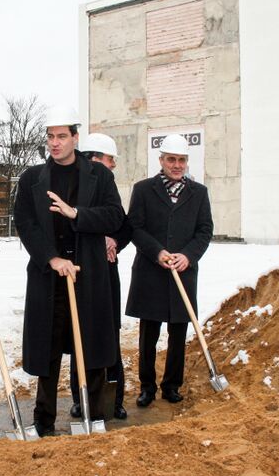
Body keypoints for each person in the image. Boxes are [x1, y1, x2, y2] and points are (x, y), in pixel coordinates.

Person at [13, 106, 124, 436]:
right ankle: (43, 420)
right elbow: (26, 224)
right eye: (50, 136)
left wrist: (76, 213)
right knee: (47, 350)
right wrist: (51, 258)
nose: (55, 142)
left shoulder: (98, 175)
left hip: (88, 274)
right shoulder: (32, 178)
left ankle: (93, 415)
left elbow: (114, 216)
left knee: (91, 347)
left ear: (76, 138)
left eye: (62, 136)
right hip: (49, 277)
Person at [126, 133, 213, 406]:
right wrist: (157, 251)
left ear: (187, 161)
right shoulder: (143, 190)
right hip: (151, 273)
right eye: (171, 159)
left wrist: (188, 256)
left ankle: (172, 385)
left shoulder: (199, 193)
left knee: (178, 333)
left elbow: (204, 230)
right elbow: (134, 227)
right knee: (148, 335)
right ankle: (147, 387)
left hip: (182, 273)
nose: (177, 165)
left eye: (181, 160)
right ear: (161, 160)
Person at [67, 133, 132, 421]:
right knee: (79, 334)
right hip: (80, 273)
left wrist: (113, 240)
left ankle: (114, 400)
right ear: (93, 158)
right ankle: (80, 398)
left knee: (109, 335)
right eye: (110, 159)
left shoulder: (108, 187)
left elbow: (125, 224)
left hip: (106, 274)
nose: (113, 165)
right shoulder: (74, 187)